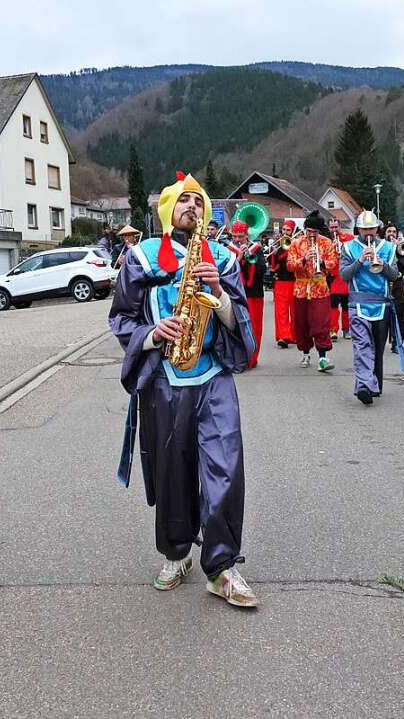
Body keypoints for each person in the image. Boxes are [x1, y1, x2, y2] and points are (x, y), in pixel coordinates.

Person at [108, 171, 259, 608]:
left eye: (199, 201)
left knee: (225, 467)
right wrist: (154, 334)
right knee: (173, 471)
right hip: (165, 380)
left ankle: (222, 566)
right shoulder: (142, 256)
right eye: (183, 201)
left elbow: (240, 321)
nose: (192, 207)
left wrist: (219, 294)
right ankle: (177, 553)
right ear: (167, 210)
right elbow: (121, 318)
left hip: (213, 376)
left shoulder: (224, 260)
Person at [340, 210, 404, 405]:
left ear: (377, 228)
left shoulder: (388, 248)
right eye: (364, 228)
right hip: (357, 303)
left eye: (372, 228)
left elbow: (394, 276)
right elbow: (344, 275)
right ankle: (364, 386)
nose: (368, 232)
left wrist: (383, 263)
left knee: (377, 347)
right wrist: (360, 260)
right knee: (362, 345)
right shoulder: (349, 248)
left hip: (381, 304)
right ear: (358, 228)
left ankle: (374, 384)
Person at [287, 210, 338, 372]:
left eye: (315, 232)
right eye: (309, 231)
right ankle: (305, 352)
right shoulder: (296, 243)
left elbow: (333, 263)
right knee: (302, 323)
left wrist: (321, 262)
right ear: (305, 229)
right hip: (301, 289)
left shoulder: (326, 243)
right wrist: (304, 259)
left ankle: (322, 357)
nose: (312, 235)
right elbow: (289, 265)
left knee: (321, 323)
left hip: (320, 288)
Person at [230, 219, 266, 369]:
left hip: (254, 293)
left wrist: (250, 257)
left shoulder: (256, 249)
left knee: (255, 326)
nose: (238, 240)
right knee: (236, 327)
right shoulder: (228, 249)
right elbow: (227, 272)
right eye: (235, 236)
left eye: (241, 236)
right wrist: (238, 259)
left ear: (247, 235)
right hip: (236, 294)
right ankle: (239, 358)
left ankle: (252, 358)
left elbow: (262, 271)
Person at [268, 219, 297, 348]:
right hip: (280, 281)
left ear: (293, 231)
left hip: (295, 281)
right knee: (281, 310)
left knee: (295, 310)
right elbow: (273, 265)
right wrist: (273, 254)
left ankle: (295, 335)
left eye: (288, 230)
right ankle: (283, 336)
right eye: (284, 229)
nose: (285, 232)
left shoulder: (296, 243)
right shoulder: (277, 244)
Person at [385, 223, 404, 354]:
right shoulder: (381, 246)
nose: (392, 234)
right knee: (385, 315)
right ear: (384, 233)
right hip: (383, 283)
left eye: (394, 231)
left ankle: (397, 343)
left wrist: (398, 250)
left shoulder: (400, 247)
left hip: (398, 283)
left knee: (401, 314)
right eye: (389, 231)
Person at [328, 217, 354, 340]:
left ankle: (346, 329)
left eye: (336, 227)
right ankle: (333, 329)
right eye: (331, 227)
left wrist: (342, 246)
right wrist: (331, 248)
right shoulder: (327, 241)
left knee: (346, 305)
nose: (334, 230)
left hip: (346, 276)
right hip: (333, 277)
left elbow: (354, 252)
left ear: (339, 226)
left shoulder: (348, 238)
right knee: (333, 305)